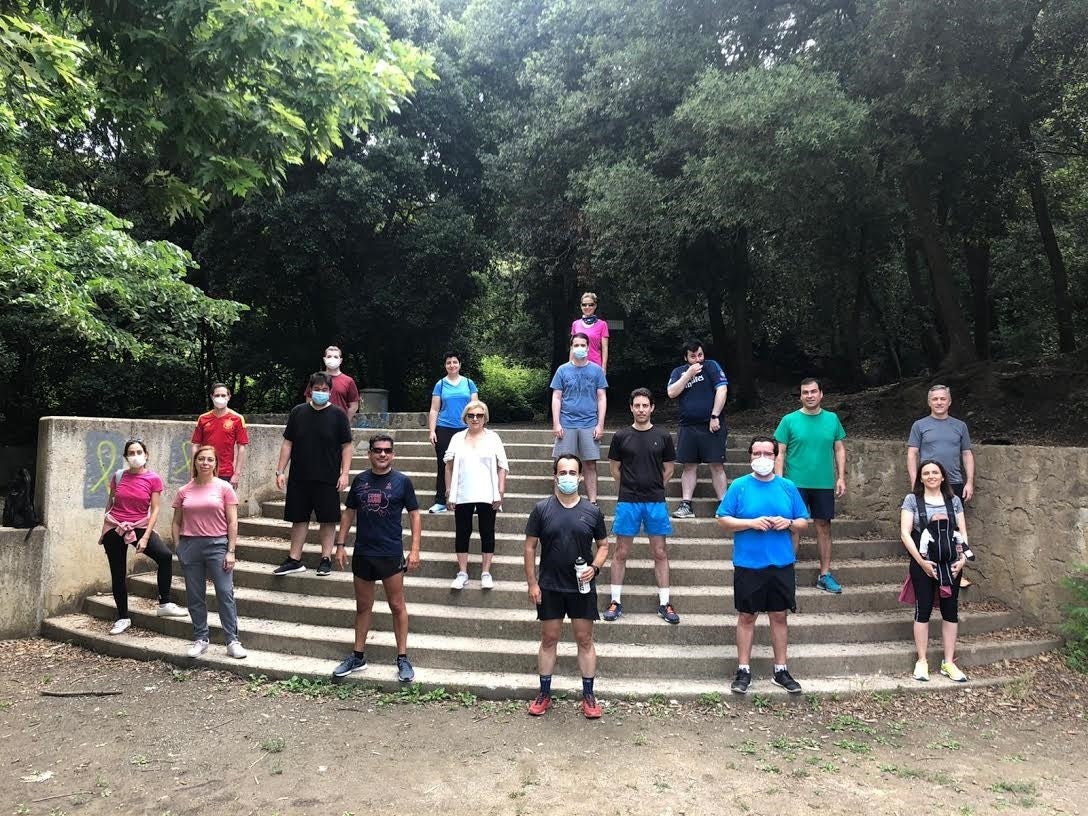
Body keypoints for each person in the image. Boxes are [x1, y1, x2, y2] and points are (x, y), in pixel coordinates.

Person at [715, 436, 810, 695]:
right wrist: (750, 523)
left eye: (768, 453)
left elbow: (804, 521)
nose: (762, 458)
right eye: (757, 453)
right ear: (750, 457)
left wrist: (788, 523)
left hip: (781, 562)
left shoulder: (788, 486)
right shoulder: (740, 486)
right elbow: (723, 519)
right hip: (748, 562)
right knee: (747, 615)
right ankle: (743, 669)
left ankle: (781, 669)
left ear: (776, 456)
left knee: (779, 615)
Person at [524, 455, 610, 718]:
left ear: (581, 477)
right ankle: (544, 693)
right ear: (555, 476)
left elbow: (604, 546)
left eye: (573, 473)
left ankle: (589, 696)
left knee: (584, 639)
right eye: (563, 472)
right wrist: (532, 583)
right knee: (549, 639)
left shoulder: (592, 511)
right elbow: (529, 547)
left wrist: (594, 568)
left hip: (581, 588)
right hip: (550, 585)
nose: (568, 477)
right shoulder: (541, 509)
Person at [332, 434, 422, 683]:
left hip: (390, 552)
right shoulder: (360, 481)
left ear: (393, 454)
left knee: (397, 605)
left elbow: (415, 515)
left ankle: (402, 657)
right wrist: (340, 545)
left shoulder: (402, 482)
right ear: (369, 453)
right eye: (378, 450)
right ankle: (358, 655)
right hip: (363, 552)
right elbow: (349, 513)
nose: (383, 454)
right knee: (363, 607)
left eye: (387, 450)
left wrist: (415, 550)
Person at [604, 388, 679, 624]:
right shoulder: (621, 436)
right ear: (631, 408)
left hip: (655, 501)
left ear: (652, 407)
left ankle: (665, 603)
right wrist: (630, 485)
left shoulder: (663, 436)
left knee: (660, 552)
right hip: (628, 501)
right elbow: (614, 468)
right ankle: (615, 601)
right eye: (637, 405)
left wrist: (655, 485)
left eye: (645, 405)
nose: (641, 410)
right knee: (621, 552)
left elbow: (669, 469)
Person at [99, 439, 187, 635]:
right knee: (118, 572)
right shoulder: (118, 476)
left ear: (146, 455)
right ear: (126, 457)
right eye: (131, 452)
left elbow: (155, 510)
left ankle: (164, 603)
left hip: (139, 526)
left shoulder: (153, 479)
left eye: (139, 452)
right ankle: (122, 617)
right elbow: (111, 501)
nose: (135, 456)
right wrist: (105, 524)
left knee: (164, 556)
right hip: (115, 527)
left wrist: (146, 536)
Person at [273, 372, 353, 577]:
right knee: (298, 518)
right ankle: (294, 559)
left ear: (330, 391)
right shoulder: (298, 412)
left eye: (324, 390)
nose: (320, 393)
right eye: (317, 389)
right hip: (300, 475)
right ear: (310, 390)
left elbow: (347, 446)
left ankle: (325, 558)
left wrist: (344, 474)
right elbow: (287, 443)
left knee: (327, 519)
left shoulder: (338, 415)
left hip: (327, 476)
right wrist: (280, 470)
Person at [171, 445, 246, 659]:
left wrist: (231, 550)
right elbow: (176, 522)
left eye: (210, 460)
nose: (205, 463)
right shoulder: (184, 490)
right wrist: (179, 546)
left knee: (224, 592)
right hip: (190, 546)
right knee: (195, 596)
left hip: (217, 545)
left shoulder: (224, 488)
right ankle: (201, 638)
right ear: (194, 462)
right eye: (201, 459)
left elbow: (232, 521)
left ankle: (232, 640)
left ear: (216, 464)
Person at [773, 378, 847, 594]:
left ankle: (824, 574)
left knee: (824, 526)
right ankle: (787, 572)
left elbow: (840, 449)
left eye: (813, 391)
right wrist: (780, 482)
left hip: (823, 483)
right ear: (801, 396)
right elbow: (781, 453)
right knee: (794, 526)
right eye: (805, 392)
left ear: (821, 394)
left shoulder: (832, 419)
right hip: (795, 483)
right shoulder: (789, 420)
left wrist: (841, 477)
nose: (810, 395)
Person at [899, 459, 969, 683]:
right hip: (924, 563)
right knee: (924, 608)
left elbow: (962, 533)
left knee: (951, 609)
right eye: (926, 473)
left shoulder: (954, 501)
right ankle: (922, 661)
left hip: (951, 563)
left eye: (935, 472)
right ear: (920, 477)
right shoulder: (912, 500)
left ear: (942, 477)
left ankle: (949, 662)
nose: (931, 476)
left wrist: (962, 560)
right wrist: (921, 562)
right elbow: (905, 533)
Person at [444, 400, 508, 590]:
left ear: (485, 418)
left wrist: (500, 490)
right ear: (465, 417)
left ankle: (485, 572)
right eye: (471, 415)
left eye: (479, 415)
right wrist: (448, 491)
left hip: (487, 492)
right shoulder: (457, 438)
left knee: (487, 531)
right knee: (462, 532)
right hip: (462, 491)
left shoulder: (493, 438)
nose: (475, 419)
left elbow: (502, 466)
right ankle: (462, 572)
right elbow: (448, 466)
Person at [667, 339, 729, 519]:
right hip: (687, 425)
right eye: (693, 356)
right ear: (685, 357)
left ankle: (723, 505)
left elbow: (722, 390)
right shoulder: (678, 371)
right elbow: (671, 393)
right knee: (688, 466)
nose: (697, 359)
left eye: (700, 355)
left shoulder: (711, 366)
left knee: (717, 465)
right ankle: (686, 504)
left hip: (711, 424)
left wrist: (715, 415)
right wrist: (688, 375)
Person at [550, 333, 608, 503]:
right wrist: (556, 423)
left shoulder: (596, 370)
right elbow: (556, 397)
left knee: (590, 464)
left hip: (589, 423)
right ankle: (558, 503)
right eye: (576, 345)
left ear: (588, 347)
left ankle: (593, 503)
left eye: (583, 345)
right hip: (566, 423)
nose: (580, 348)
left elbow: (601, 398)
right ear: (571, 347)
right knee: (561, 463)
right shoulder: (562, 370)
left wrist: (600, 425)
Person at [427, 352, 479, 513]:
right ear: (445, 365)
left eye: (455, 362)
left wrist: (478, 429)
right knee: (444, 464)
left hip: (466, 429)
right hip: (444, 428)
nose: (452, 365)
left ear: (460, 364)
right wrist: (431, 431)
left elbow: (476, 408)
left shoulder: (469, 383)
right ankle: (441, 501)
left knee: (469, 464)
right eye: (449, 362)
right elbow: (434, 409)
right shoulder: (440, 384)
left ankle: (472, 500)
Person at [907, 384, 975, 501]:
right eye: (935, 399)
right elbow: (912, 454)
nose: (939, 402)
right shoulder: (919, 425)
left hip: (954, 482)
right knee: (928, 519)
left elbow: (967, 454)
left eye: (943, 399)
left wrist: (969, 482)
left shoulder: (960, 426)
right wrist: (915, 483)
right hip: (928, 482)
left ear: (949, 402)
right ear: (929, 402)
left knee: (954, 519)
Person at [190, 382, 249, 488]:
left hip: (226, 472)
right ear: (212, 397)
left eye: (223, 395)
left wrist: (237, 474)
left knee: (225, 504)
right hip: (205, 469)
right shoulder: (203, 418)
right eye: (217, 395)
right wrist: (194, 471)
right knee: (203, 503)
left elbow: (242, 447)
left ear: (229, 397)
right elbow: (195, 445)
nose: (220, 398)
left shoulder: (237, 419)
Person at [304, 345, 361, 422]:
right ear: (324, 359)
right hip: (318, 422)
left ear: (340, 360)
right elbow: (309, 401)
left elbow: (354, 406)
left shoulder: (348, 381)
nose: (332, 359)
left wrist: (345, 423)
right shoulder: (316, 378)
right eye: (329, 356)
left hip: (339, 423)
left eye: (336, 357)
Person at [571, 291, 610, 372]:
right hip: (577, 366)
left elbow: (605, 348)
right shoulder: (575, 324)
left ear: (595, 306)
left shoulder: (602, 325)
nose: (587, 307)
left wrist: (604, 368)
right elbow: (572, 347)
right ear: (581, 306)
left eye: (590, 304)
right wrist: (570, 365)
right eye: (584, 304)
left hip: (595, 366)